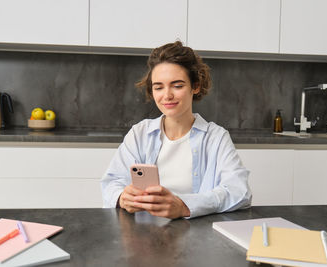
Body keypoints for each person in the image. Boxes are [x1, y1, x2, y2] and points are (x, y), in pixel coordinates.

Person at [101, 41, 251, 219]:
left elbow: (239, 191)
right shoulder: (139, 133)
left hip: (198, 236)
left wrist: (184, 206)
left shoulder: (216, 137)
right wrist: (121, 197)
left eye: (177, 85)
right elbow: (112, 182)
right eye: (158, 87)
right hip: (143, 237)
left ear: (195, 86)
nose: (167, 95)